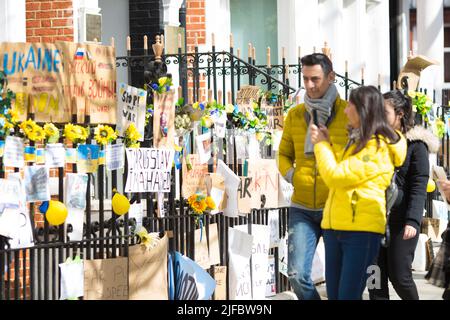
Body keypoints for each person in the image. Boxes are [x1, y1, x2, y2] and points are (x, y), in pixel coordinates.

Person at [310, 85, 407, 300]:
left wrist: (321, 146)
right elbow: (347, 172)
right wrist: (330, 143)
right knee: (335, 295)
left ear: (363, 109)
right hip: (336, 227)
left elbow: (337, 176)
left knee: (347, 295)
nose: (345, 110)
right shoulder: (359, 141)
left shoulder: (378, 147)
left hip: (360, 231)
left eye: (350, 105)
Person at [277, 53, 348, 300]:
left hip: (335, 207)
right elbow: (283, 154)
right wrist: (293, 176)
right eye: (305, 79)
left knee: (338, 280)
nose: (309, 85)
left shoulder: (349, 113)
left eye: (315, 79)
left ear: (331, 77)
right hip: (302, 206)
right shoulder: (295, 115)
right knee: (296, 274)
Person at [368, 90, 440, 300]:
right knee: (375, 277)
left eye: (384, 112)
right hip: (373, 220)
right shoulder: (374, 141)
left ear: (399, 114)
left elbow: (418, 186)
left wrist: (412, 221)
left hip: (402, 223)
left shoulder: (416, 145)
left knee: (400, 276)